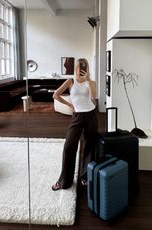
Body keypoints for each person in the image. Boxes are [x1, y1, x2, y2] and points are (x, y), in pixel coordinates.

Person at [52, 58, 98, 191]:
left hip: (91, 115)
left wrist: (88, 80)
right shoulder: (70, 81)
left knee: (89, 146)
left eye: (84, 68)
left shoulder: (91, 82)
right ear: (75, 68)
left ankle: (85, 177)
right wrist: (69, 104)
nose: (81, 70)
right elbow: (56, 95)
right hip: (77, 116)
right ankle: (64, 181)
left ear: (87, 69)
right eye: (79, 68)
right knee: (69, 146)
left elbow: (93, 97)